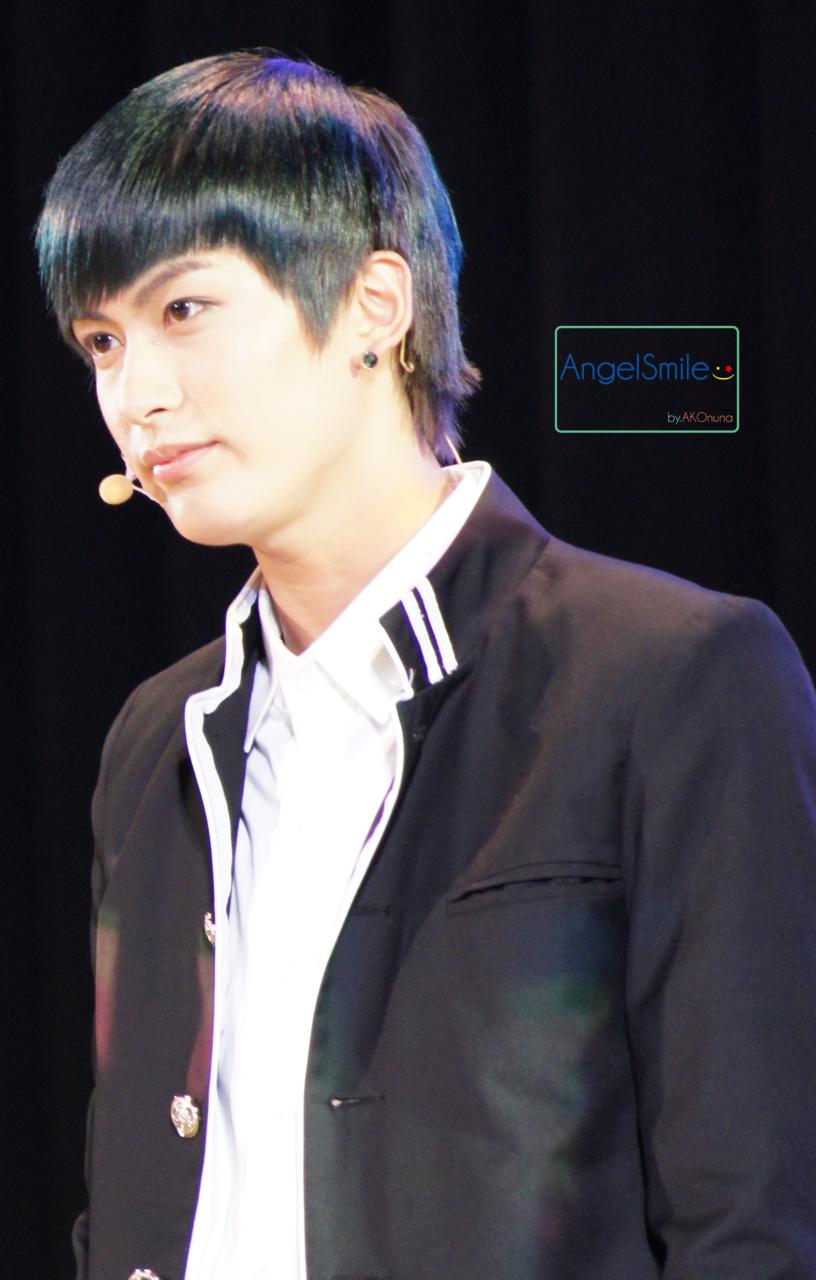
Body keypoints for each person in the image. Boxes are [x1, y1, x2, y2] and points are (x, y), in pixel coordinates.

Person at [36, 49, 816, 1280]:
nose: (139, 393)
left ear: (373, 304)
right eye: (101, 340)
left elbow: (751, 1217)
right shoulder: (159, 735)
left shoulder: (666, 675)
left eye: (182, 310)